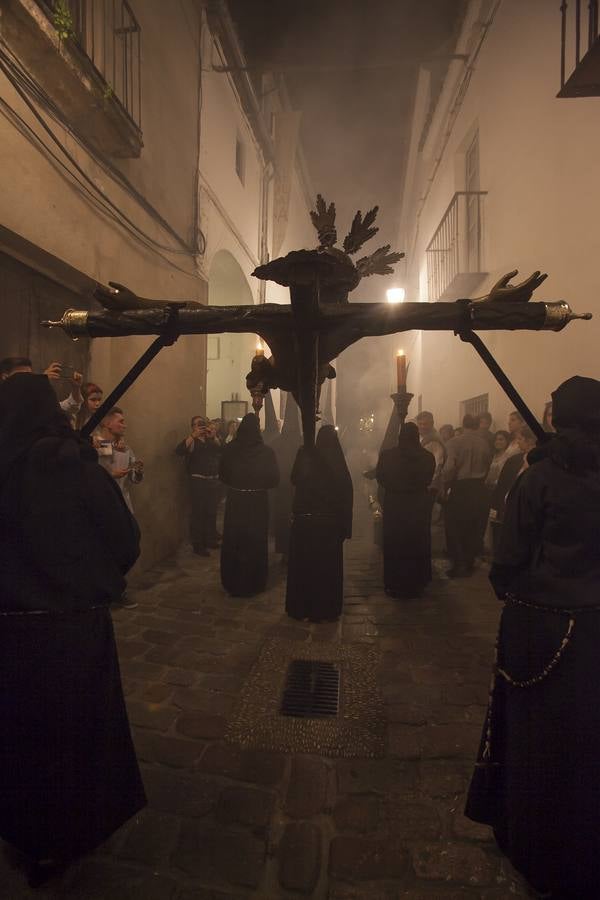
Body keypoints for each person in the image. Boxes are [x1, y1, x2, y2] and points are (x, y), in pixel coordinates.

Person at [0, 374, 145, 887]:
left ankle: (23, 835)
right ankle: (66, 837)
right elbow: (125, 542)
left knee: (19, 739)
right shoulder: (75, 468)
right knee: (71, 739)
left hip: (9, 637)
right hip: (71, 633)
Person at [465, 376, 600, 899]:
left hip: (544, 623)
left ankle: (539, 843)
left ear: (556, 419)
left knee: (540, 738)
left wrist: (513, 588)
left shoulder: (539, 478)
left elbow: (510, 557)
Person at [286, 425, 353, 621]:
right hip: (328, 525)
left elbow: (294, 478)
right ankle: (324, 607)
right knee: (325, 570)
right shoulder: (337, 462)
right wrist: (344, 527)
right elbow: (346, 494)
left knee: (303, 567)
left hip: (304, 522)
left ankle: (301, 606)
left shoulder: (306, 456)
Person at [219, 413, 279, 597]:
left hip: (236, 500)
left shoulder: (230, 449)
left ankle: (233, 581)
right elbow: (274, 479)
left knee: (235, 541)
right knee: (255, 542)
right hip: (257, 502)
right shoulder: (267, 452)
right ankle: (254, 581)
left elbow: (223, 475)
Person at [375, 422, 435, 599]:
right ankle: (417, 581)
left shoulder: (388, 455)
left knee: (396, 543)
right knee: (417, 541)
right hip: (418, 505)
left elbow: (381, 477)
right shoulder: (427, 457)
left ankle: (395, 582)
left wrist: (396, 487)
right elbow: (428, 477)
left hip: (396, 504)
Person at [441, 413, 492, 577]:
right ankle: (469, 562)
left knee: (455, 527)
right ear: (477, 426)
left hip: (460, 488)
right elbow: (488, 464)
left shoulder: (454, 443)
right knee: (473, 527)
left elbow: (449, 468)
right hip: (479, 488)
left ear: (462, 425)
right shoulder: (484, 444)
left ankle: (458, 563)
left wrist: (445, 485)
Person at [175, 416, 222, 556]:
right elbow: (179, 451)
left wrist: (213, 436)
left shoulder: (209, 440)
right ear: (193, 426)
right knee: (198, 514)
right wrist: (192, 436)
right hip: (198, 482)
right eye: (199, 424)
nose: (202, 426)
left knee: (211, 512)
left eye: (203, 424)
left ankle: (209, 539)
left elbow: (220, 450)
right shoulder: (192, 441)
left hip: (212, 481)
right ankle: (198, 545)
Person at [488, 424, 537, 557]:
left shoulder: (539, 461)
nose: (517, 443)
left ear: (530, 440)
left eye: (520, 439)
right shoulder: (515, 460)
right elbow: (503, 485)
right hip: (510, 507)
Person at [270, 396, 302, 563]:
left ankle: (285, 551)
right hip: (294, 489)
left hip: (283, 489)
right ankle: (293, 550)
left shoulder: (276, 443)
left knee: (284, 520)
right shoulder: (303, 443)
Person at [0, 356, 83, 420]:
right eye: (22, 376)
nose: (28, 379)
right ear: (5, 377)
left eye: (30, 375)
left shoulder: (35, 397)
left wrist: (76, 388)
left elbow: (69, 408)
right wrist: (41, 382)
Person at [98, 407, 144, 514]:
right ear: (108, 424)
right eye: (121, 422)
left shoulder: (126, 449)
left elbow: (134, 479)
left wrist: (138, 472)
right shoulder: (97, 444)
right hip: (103, 506)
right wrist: (112, 474)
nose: (125, 426)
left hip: (123, 506)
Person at [415, 410, 446, 495]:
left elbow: (437, 466)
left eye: (425, 424)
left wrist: (428, 485)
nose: (422, 427)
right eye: (420, 424)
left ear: (432, 424)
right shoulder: (419, 438)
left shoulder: (435, 441)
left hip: (429, 486)